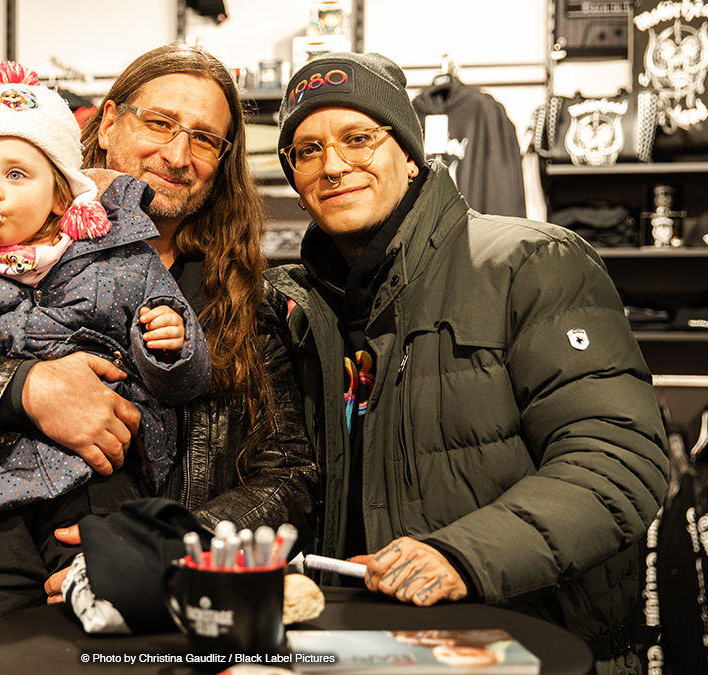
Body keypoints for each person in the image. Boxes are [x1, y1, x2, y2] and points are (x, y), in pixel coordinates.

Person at [0, 42, 318, 664]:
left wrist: (155, 548)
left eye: (205, 138)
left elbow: (288, 473)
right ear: (107, 123)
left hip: (149, 599)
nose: (177, 154)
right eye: (160, 122)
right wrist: (23, 390)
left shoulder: (247, 299)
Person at [263, 52, 668, 675]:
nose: (334, 165)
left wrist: (461, 556)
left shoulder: (528, 263)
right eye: (307, 150)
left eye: (358, 138)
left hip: (524, 645)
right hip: (360, 646)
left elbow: (617, 458)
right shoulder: (296, 308)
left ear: (409, 153)